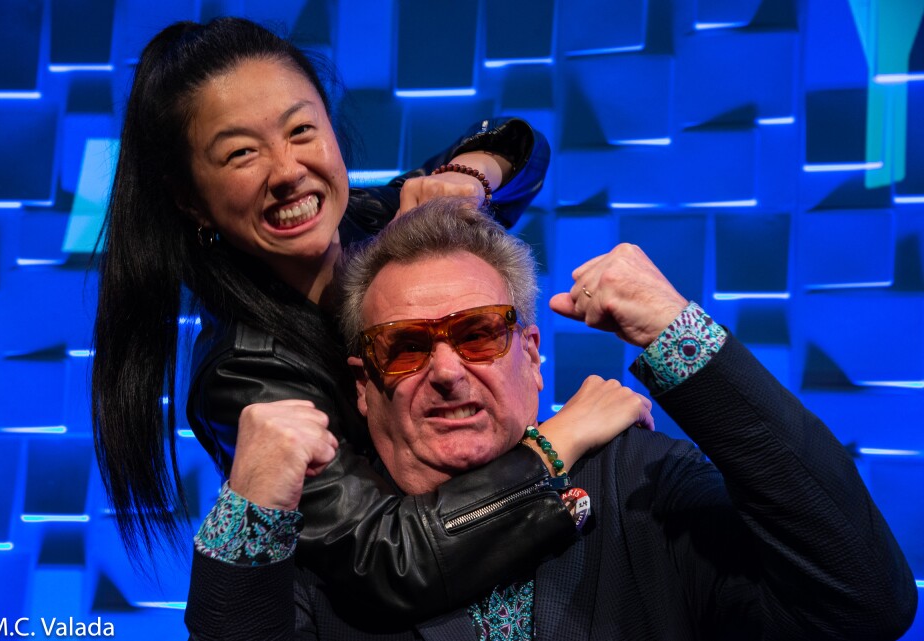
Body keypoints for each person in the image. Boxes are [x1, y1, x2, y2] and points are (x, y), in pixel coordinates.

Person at [185, 199, 918, 640]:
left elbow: (864, 601)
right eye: (405, 348)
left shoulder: (641, 484)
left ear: (532, 358)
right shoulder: (330, 542)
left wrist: (677, 331)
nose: (446, 370)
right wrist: (248, 509)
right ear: (365, 389)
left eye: (478, 334)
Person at [90, 16, 605, 620]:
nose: (286, 171)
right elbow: (389, 561)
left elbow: (518, 144)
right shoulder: (244, 373)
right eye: (241, 154)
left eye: (301, 129)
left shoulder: (372, 218)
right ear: (190, 199)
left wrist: (467, 179)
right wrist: (558, 442)